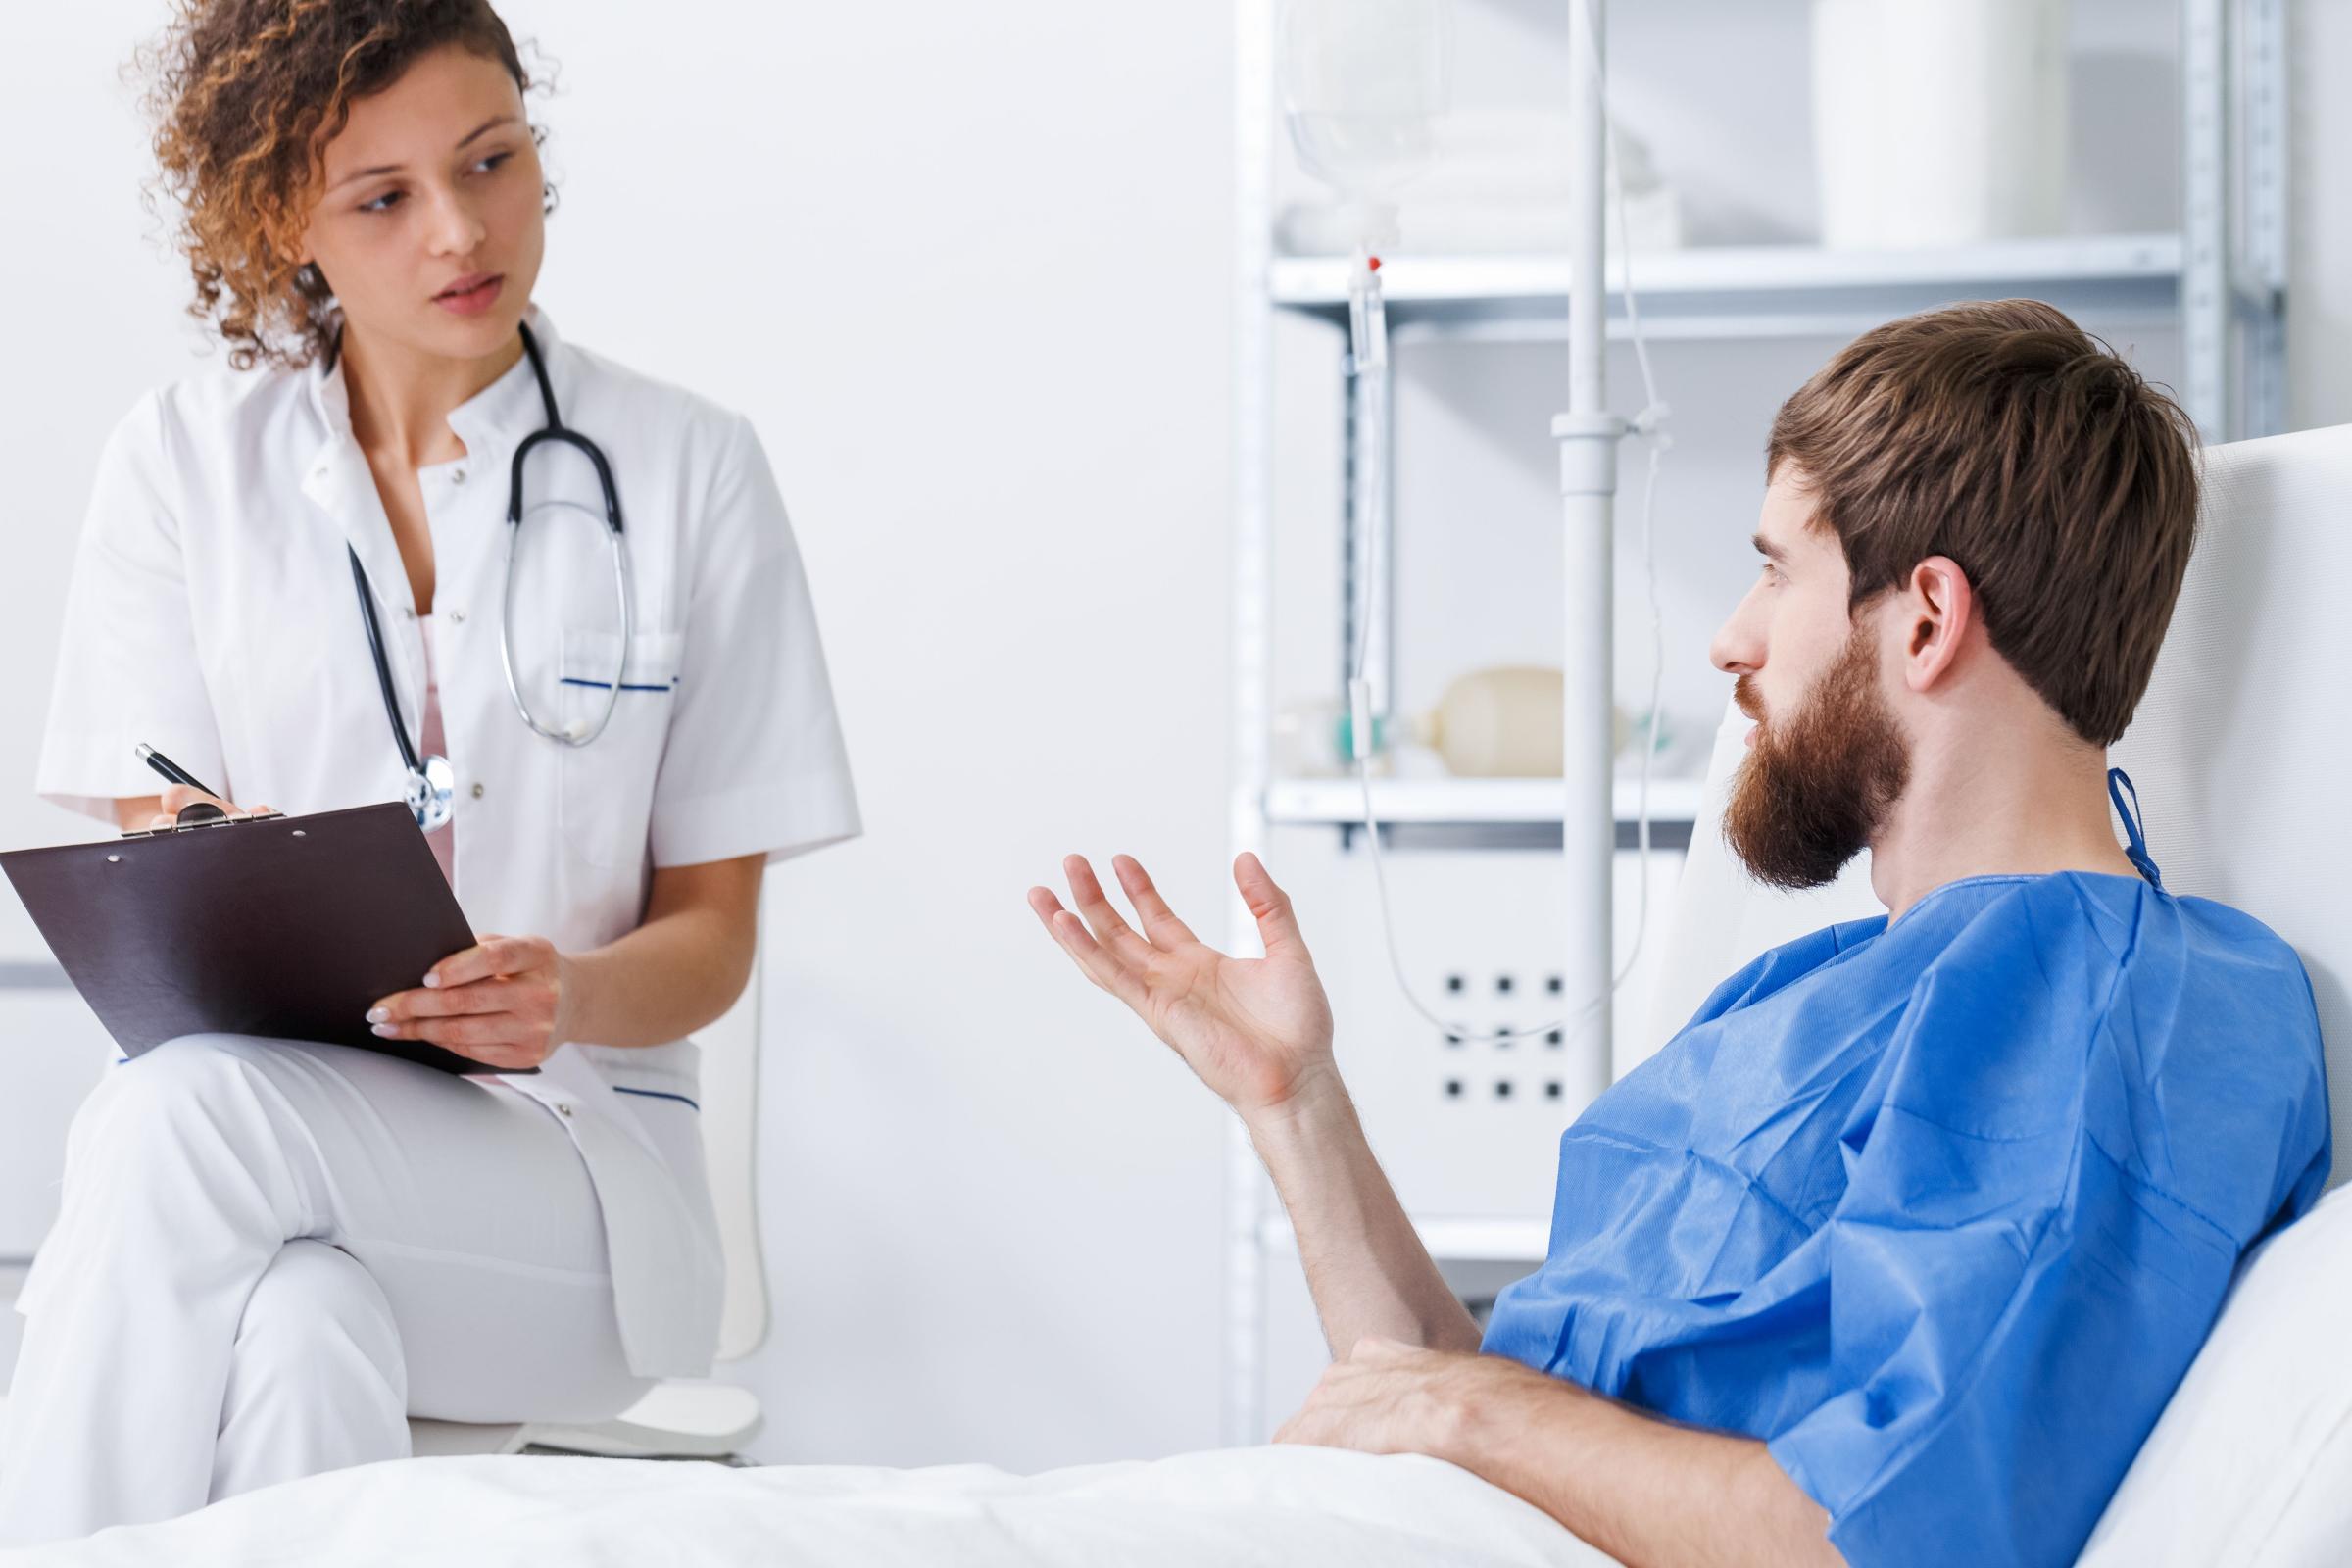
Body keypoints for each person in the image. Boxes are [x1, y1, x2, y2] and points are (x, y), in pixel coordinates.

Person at [1030, 300, 2331, 1568]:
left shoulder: (2114, 1001)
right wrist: (1296, 1105)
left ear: (1927, 618)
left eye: (1776, 571)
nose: (1731, 641)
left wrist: (1459, 1412)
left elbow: (1886, 1536)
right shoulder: (1802, 989)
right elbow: (1481, 1414)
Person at [0, 0, 858, 1545]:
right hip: (297, 1154)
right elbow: (155, 842)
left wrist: (568, 996)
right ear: (282, 222)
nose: (463, 231)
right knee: (302, 1337)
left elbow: (714, 940)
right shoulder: (185, 462)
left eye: (492, 160)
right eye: (383, 197)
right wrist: (208, 840)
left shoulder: (688, 467)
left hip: (582, 1188)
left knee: (176, 1122)